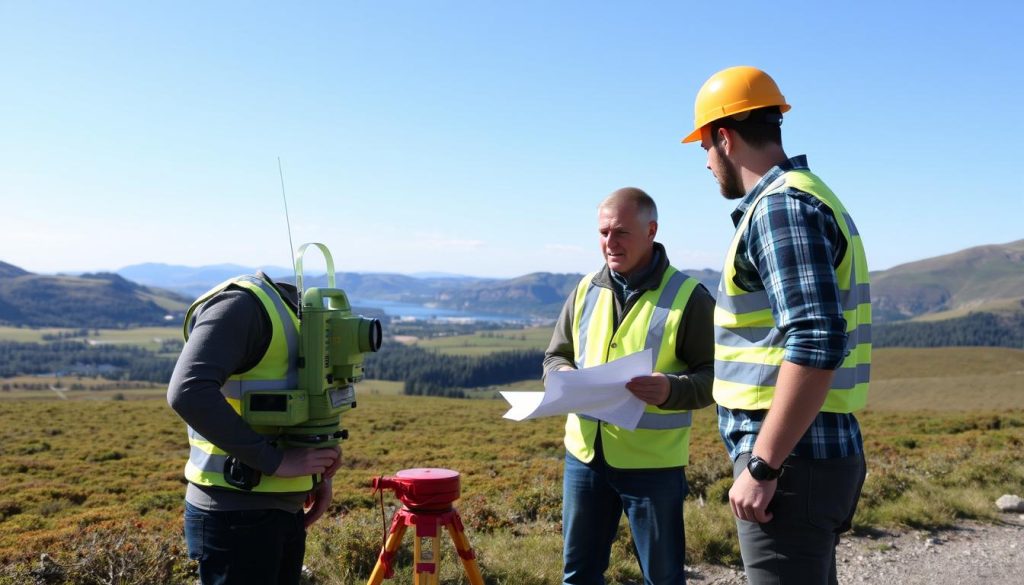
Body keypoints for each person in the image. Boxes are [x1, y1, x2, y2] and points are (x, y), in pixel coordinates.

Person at [680, 66, 871, 584]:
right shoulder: (808, 194)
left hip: (789, 463)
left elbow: (816, 338)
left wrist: (762, 466)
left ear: (724, 136)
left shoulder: (780, 207)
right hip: (809, 455)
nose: (705, 162)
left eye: (703, 147)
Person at [543, 187, 716, 585]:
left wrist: (672, 389)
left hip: (652, 466)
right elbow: (555, 356)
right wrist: (561, 376)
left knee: (663, 577)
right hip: (584, 457)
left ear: (651, 230)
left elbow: (716, 376)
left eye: (620, 232)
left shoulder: (689, 297)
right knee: (579, 575)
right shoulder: (585, 289)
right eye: (603, 232)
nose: (609, 242)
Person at [167, 271, 341, 585]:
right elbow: (187, 393)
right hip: (236, 515)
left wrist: (314, 473)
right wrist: (276, 462)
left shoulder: (297, 316)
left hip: (280, 512)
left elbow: (293, 402)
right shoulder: (242, 305)